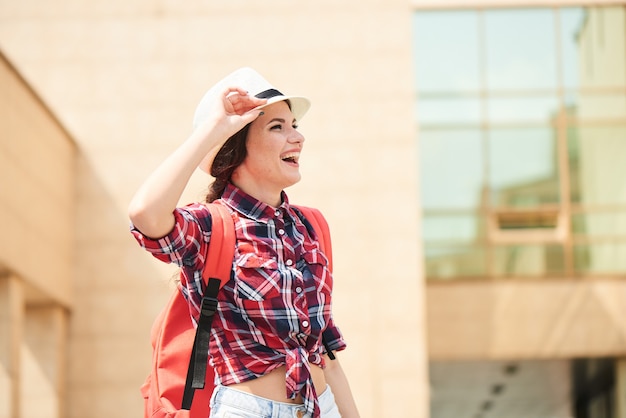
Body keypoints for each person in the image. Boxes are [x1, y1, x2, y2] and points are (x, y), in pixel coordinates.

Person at [128, 67, 360, 418]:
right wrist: (215, 129)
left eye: (293, 125)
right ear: (235, 148)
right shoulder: (211, 227)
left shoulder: (311, 225)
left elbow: (326, 355)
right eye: (277, 127)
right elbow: (145, 214)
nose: (297, 138)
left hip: (322, 407)